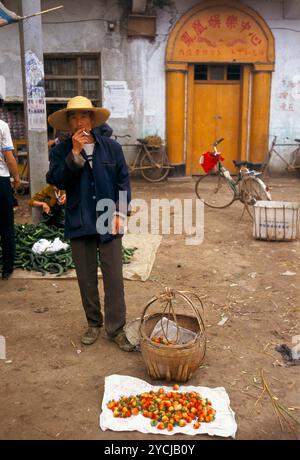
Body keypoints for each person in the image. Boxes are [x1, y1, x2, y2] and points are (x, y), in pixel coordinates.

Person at [46, 96, 134, 351]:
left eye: (84, 116)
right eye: (73, 117)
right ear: (68, 123)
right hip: (79, 218)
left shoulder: (111, 148)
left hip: (109, 219)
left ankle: (116, 328)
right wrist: (74, 153)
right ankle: (93, 323)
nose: (79, 121)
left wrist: (120, 212)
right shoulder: (61, 150)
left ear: (92, 120)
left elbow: (122, 182)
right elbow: (58, 180)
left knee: (114, 278)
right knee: (86, 279)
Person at [0, 98, 21, 280]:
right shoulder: (2, 126)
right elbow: (9, 157)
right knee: (6, 225)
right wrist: (16, 177)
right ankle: (7, 268)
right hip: (1, 181)